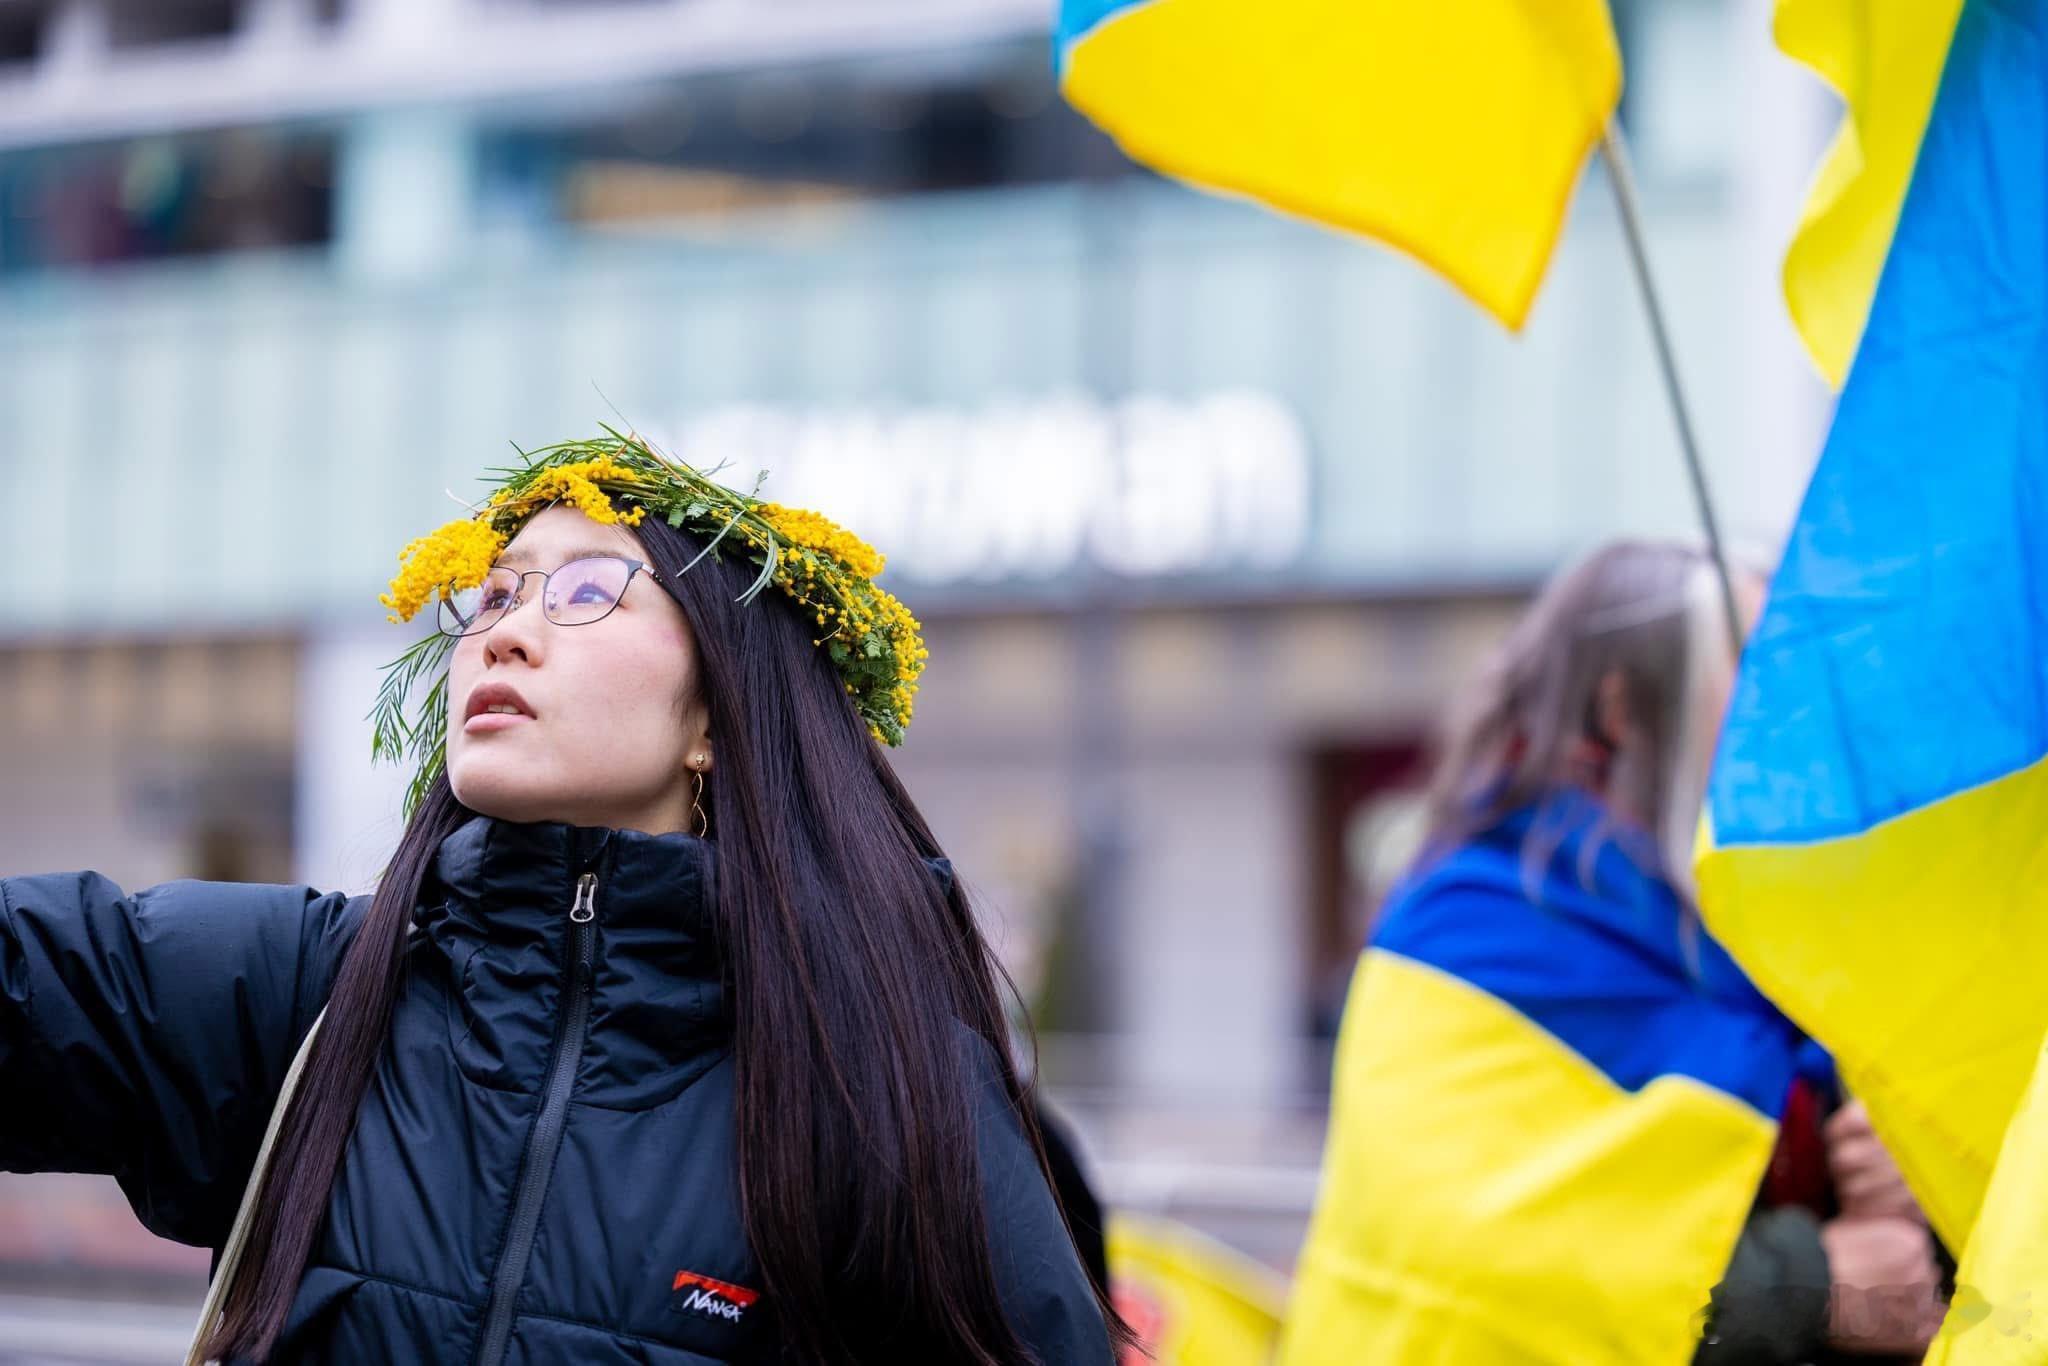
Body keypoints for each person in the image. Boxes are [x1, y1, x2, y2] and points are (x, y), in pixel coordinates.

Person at [0, 435, 1122, 1365]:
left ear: (714, 723)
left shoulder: (876, 1092)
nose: (507, 627)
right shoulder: (301, 997)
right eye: (494, 592)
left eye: (589, 589)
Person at [1279, 541, 1943, 1366]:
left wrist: (1914, 1166)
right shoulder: (1466, 930)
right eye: (1750, 668)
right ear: (1621, 709)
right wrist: (1814, 1285)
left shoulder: (1761, 942)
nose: (1792, 714)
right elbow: (1474, 1270)